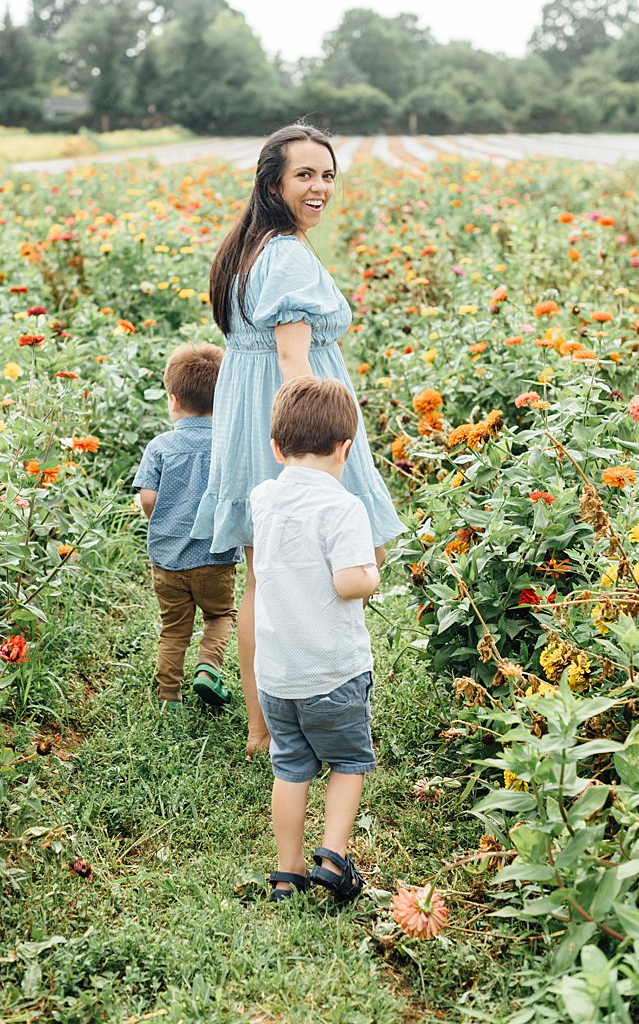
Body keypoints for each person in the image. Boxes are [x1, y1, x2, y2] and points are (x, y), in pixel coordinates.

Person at [192, 123, 403, 759]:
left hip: (250, 409)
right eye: (305, 175)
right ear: (273, 182)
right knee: (337, 557)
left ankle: (267, 727)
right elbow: (292, 358)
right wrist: (318, 446)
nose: (320, 188)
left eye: (328, 175)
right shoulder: (284, 252)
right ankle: (314, 711)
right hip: (288, 414)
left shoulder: (249, 245)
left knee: (268, 573)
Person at [252, 376, 382, 902]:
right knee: (348, 763)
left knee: (290, 767)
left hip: (277, 675)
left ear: (277, 448)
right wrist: (371, 574)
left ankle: (287, 872)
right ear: (345, 448)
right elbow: (350, 581)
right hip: (334, 673)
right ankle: (332, 858)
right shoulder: (343, 507)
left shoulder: (263, 498)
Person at [133, 341, 241, 711]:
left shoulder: (160, 446)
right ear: (222, 398)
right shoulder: (228, 446)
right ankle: (208, 668)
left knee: (174, 629)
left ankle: (169, 696)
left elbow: (148, 498)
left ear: (173, 400)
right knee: (220, 615)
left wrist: (161, 518)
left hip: (167, 561)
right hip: (215, 558)